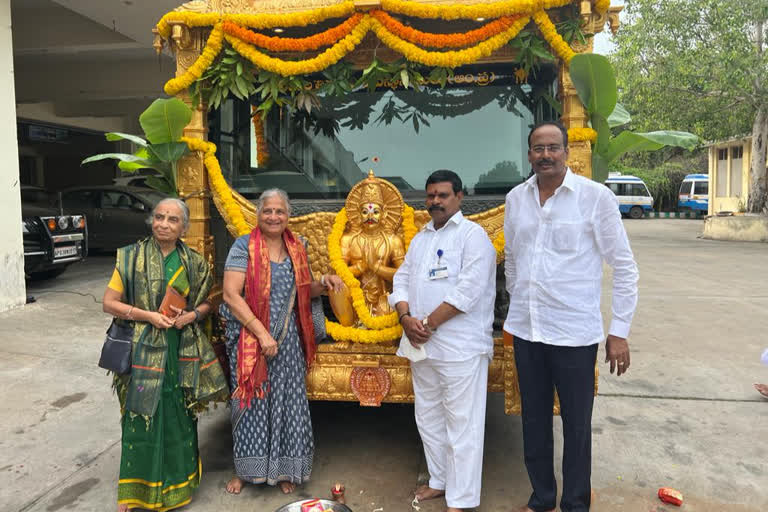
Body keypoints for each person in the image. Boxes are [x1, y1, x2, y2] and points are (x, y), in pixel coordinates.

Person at [504, 121, 639, 512]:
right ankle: (542, 498)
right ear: (529, 154)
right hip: (527, 331)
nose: (545, 155)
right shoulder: (517, 198)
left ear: (566, 152)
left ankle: (575, 504)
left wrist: (619, 332)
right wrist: (519, 299)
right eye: (537, 148)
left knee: (577, 427)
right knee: (533, 422)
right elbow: (513, 257)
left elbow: (625, 266)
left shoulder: (595, 198)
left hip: (574, 336)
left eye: (553, 148)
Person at [102, 197, 229, 512]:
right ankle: (133, 493)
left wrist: (191, 316)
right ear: (151, 221)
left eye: (173, 219)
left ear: (183, 227)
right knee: (139, 417)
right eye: (159, 217)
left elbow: (207, 304)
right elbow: (109, 302)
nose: (164, 224)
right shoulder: (131, 258)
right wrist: (148, 316)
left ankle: (178, 486)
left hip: (179, 352)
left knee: (178, 416)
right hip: (140, 350)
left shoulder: (195, 263)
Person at [221, 188, 343, 495]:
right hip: (251, 340)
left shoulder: (297, 248)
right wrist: (262, 334)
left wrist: (324, 284)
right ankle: (247, 472)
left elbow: (304, 292)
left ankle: (283, 471)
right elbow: (230, 295)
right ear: (258, 214)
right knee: (250, 404)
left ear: (288, 216)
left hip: (288, 342)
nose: (274, 217)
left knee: (286, 405)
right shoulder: (243, 247)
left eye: (280, 212)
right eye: (268, 211)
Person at [389, 170, 497, 512]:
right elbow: (401, 279)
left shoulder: (473, 236)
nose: (436, 201)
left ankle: (462, 499)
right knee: (428, 417)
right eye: (431, 195)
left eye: (443, 195)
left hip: (460, 348)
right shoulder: (420, 238)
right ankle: (439, 481)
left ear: (459, 197)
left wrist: (427, 323)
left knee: (462, 424)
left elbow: (468, 291)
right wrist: (406, 319)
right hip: (422, 345)